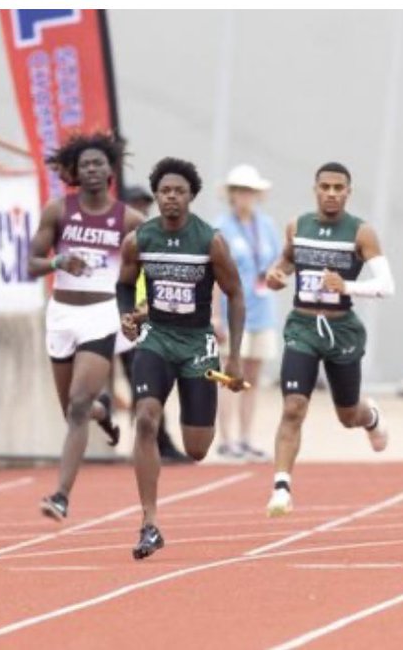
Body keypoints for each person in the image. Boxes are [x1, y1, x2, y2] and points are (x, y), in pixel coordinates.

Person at [116, 157, 247, 559]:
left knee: (197, 448)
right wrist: (127, 314)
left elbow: (236, 294)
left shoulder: (210, 240)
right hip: (156, 339)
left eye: (179, 192)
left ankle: (187, 415)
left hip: (197, 345)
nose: (171, 198)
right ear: (156, 196)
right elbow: (123, 284)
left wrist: (236, 357)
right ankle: (149, 522)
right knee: (145, 419)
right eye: (165, 191)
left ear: (191, 196)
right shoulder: (140, 239)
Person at [262, 162, 395, 517]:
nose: (332, 194)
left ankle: (371, 418)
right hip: (303, 326)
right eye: (326, 187)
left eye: (339, 188)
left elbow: (386, 285)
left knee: (347, 414)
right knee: (293, 407)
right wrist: (277, 275)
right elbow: (287, 261)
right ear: (315, 189)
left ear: (348, 192)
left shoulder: (361, 232)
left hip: (342, 330)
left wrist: (347, 286)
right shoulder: (297, 225)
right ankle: (281, 488)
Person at [29, 132, 144, 522]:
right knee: (73, 410)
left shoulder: (129, 220)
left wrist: (143, 307)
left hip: (101, 316)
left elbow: (150, 269)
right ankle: (103, 411)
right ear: (75, 172)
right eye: (85, 164)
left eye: (99, 163)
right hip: (62, 315)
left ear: (111, 170)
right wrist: (59, 263)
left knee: (77, 405)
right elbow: (30, 264)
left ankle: (61, 495)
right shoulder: (58, 211)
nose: (92, 169)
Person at [212, 164, 281, 461]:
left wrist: (277, 278)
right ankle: (226, 439)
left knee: (253, 376)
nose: (245, 196)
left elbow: (278, 262)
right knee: (229, 377)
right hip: (232, 312)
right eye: (240, 191)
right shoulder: (222, 228)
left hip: (262, 310)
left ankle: (246, 436)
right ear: (231, 194)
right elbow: (214, 274)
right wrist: (214, 316)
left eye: (250, 191)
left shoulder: (266, 226)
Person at [118, 185, 191, 464]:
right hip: (126, 320)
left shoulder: (153, 237)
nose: (142, 209)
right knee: (141, 386)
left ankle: (160, 442)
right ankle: (147, 443)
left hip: (152, 319)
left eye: (144, 204)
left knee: (151, 387)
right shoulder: (127, 241)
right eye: (136, 204)